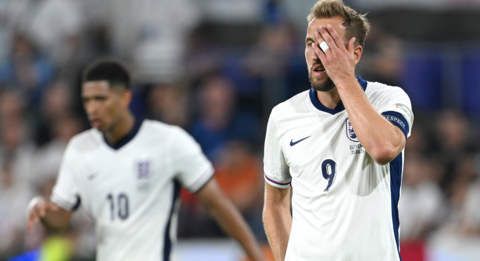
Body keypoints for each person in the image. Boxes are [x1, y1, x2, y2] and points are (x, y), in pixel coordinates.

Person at [26, 58, 265, 261]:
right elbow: (63, 216)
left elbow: (215, 203)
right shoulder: (80, 150)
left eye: (102, 99)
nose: (94, 109)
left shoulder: (169, 140)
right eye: (89, 101)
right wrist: (45, 214)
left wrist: (253, 250)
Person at [262, 1, 414, 261]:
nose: (317, 52)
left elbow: (383, 148)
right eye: (311, 43)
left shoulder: (387, 99)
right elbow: (274, 202)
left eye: (329, 44)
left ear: (355, 54)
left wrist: (342, 76)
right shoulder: (283, 116)